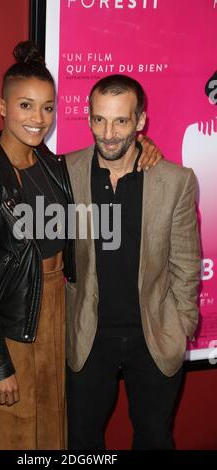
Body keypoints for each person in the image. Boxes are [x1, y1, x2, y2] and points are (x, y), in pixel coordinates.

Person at [0, 42, 161, 450]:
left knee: (46, 434)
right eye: (25, 106)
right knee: (4, 435)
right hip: (11, 325)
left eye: (47, 108)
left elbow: (107, 161)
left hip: (53, 320)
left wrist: (145, 147)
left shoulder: (52, 164)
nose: (38, 119)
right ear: (2, 106)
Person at [65, 74, 201, 450]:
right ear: (89, 117)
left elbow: (187, 262)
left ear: (140, 121)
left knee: (155, 438)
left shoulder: (175, 180)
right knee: (81, 441)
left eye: (121, 121)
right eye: (99, 119)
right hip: (88, 335)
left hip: (154, 335)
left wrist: (182, 323)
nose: (108, 133)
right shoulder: (66, 172)